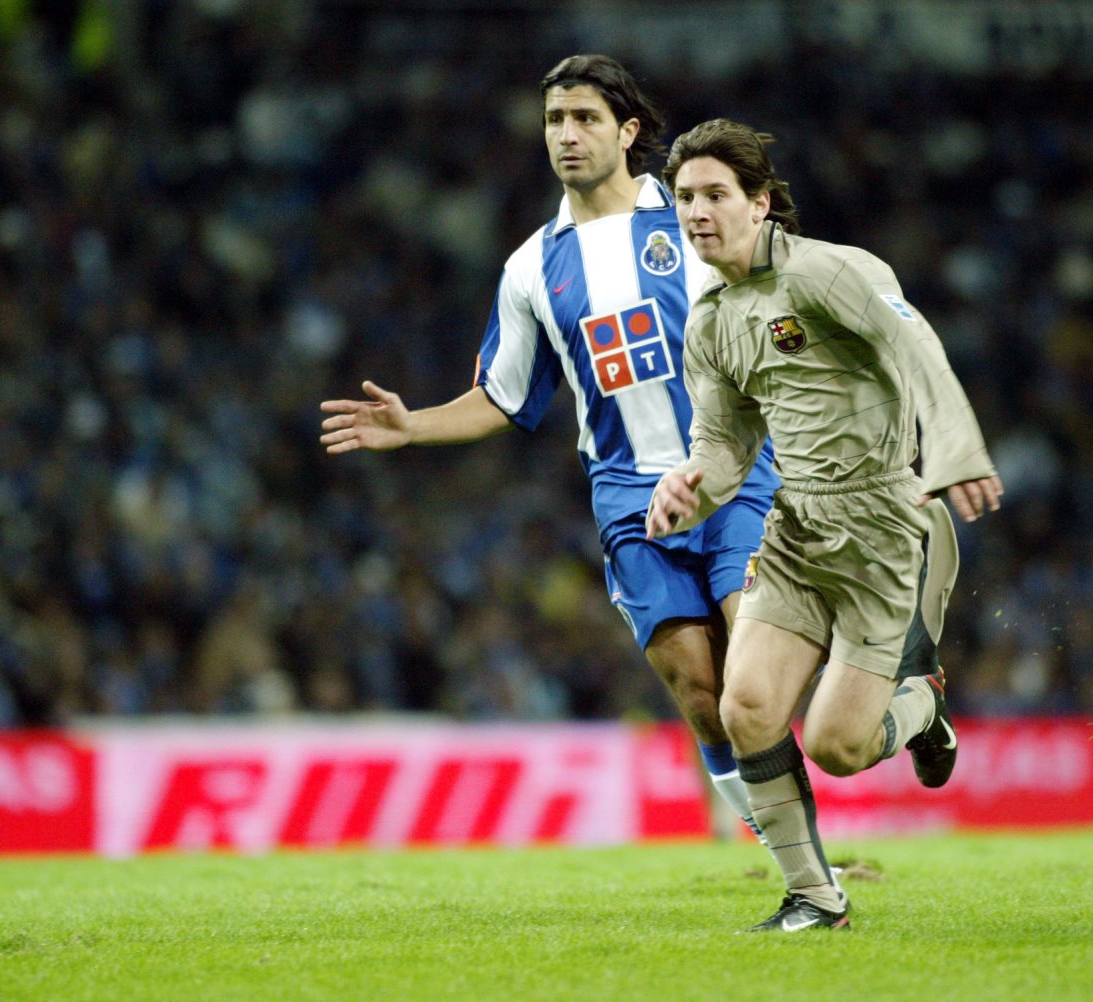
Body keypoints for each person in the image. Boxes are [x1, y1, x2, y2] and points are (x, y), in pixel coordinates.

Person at [321, 55, 781, 840]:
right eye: (554, 120)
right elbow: (504, 397)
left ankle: (870, 739)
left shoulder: (694, 217)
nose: (566, 135)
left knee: (754, 678)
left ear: (627, 132)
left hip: (733, 476)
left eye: (585, 119)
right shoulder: (531, 266)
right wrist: (414, 425)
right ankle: (796, 863)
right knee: (702, 696)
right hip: (631, 499)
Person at [646, 118, 1003, 932]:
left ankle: (921, 706)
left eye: (714, 194)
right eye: (684, 198)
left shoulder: (829, 272)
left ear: (760, 202)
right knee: (745, 707)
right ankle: (814, 897)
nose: (696, 212)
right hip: (796, 528)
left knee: (840, 748)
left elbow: (916, 342)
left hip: (885, 526)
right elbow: (724, 448)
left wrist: (955, 448)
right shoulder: (710, 322)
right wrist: (690, 490)